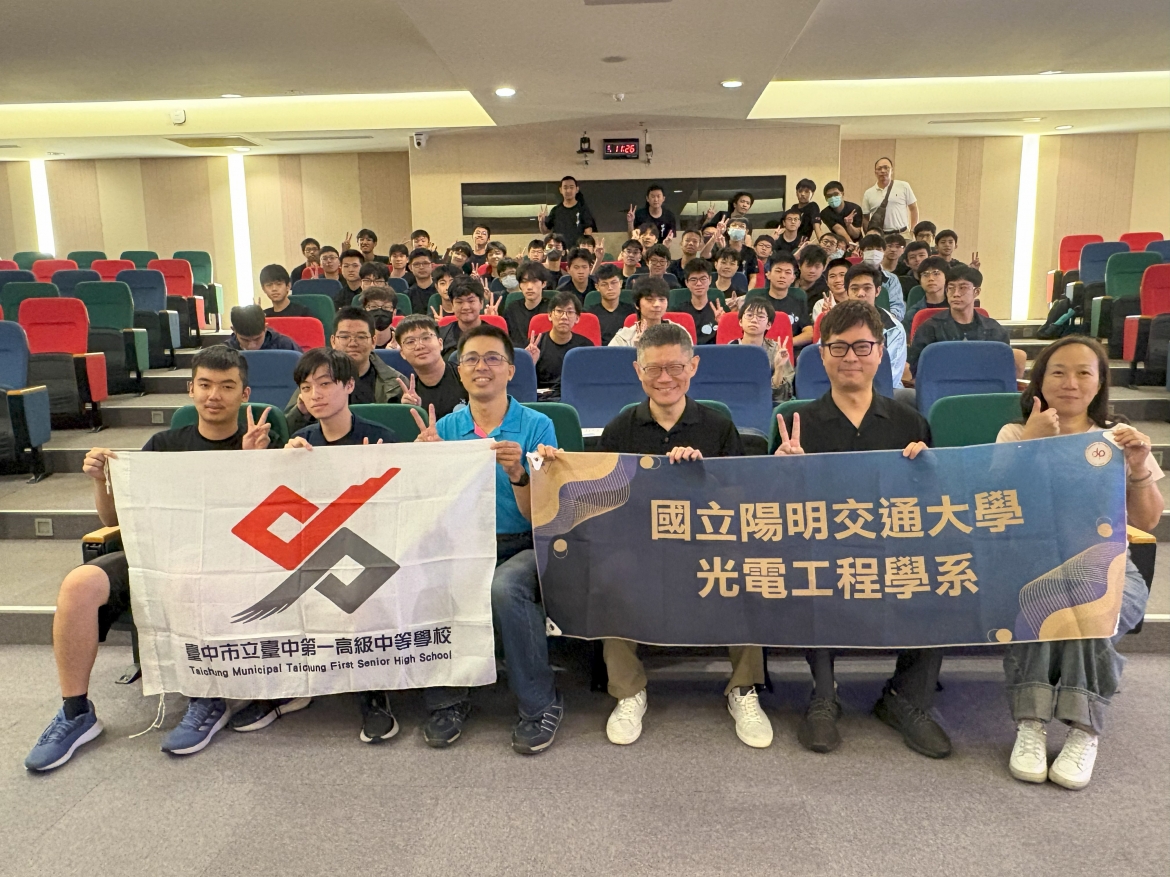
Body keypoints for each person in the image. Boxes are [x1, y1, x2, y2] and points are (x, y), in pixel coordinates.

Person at [25, 346, 275, 771]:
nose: (214, 395)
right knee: (78, 585)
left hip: (229, 563)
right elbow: (114, 520)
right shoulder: (163, 445)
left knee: (186, 578)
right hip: (154, 555)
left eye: (227, 386)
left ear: (244, 393)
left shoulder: (262, 445)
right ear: (191, 389)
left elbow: (269, 526)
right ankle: (75, 712)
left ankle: (207, 697)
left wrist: (255, 465)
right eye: (205, 385)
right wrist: (102, 481)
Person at [578, 322, 772, 748]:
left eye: (675, 367)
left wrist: (702, 478)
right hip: (640, 545)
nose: (664, 378)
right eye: (653, 369)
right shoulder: (620, 428)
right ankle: (628, 691)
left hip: (706, 542)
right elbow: (604, 500)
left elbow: (740, 502)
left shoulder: (718, 426)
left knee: (748, 571)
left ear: (693, 367)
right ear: (638, 371)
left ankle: (743, 689)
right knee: (610, 574)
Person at [774, 300, 949, 759]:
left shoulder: (911, 422)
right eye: (838, 347)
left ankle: (906, 699)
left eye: (862, 346)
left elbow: (932, 507)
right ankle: (823, 696)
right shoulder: (798, 423)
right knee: (808, 569)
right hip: (824, 549)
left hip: (893, 549)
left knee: (944, 573)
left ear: (879, 353)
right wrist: (782, 471)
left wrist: (927, 471)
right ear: (822, 355)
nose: (850, 357)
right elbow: (777, 512)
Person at [996, 336, 1162, 789]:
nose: (1070, 382)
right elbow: (996, 507)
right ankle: (1033, 723)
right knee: (1042, 597)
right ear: (1040, 381)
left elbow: (1147, 521)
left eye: (1083, 372)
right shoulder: (1014, 434)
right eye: (1058, 372)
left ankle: (1083, 731)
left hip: (1111, 565)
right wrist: (1031, 444)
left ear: (1100, 382)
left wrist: (1139, 466)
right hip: (1033, 561)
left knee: (1093, 604)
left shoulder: (1118, 438)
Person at [412, 324, 563, 754]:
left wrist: (518, 473)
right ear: (459, 371)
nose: (482, 367)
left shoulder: (537, 425)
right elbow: (429, 511)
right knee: (431, 578)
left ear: (511, 370)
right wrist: (424, 462)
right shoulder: (445, 428)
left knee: (505, 586)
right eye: (472, 359)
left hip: (526, 543)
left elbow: (541, 515)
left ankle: (540, 703)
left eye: (493, 358)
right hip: (463, 545)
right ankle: (447, 700)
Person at [284, 307, 404, 433]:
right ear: (333, 341)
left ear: (373, 341)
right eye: (345, 337)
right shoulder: (315, 380)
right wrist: (300, 413)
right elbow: (286, 431)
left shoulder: (396, 383)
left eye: (361, 337)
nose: (352, 343)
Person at [907, 265, 1026, 379]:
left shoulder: (994, 329)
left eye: (963, 288)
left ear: (976, 292)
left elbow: (1002, 370)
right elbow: (916, 371)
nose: (956, 294)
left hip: (983, 387)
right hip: (944, 387)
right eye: (951, 288)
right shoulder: (930, 328)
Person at [842, 263, 909, 391]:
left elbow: (891, 376)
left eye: (867, 288)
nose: (860, 294)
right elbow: (824, 363)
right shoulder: (833, 323)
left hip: (882, 392)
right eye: (854, 288)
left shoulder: (894, 329)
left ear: (877, 291)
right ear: (847, 292)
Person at [392, 315, 468, 417]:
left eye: (426, 338)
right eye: (410, 342)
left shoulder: (465, 377)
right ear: (402, 353)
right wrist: (408, 412)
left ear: (440, 343)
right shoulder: (405, 395)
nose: (419, 346)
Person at [525, 291, 593, 399]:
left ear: (577, 318)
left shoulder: (586, 347)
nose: (564, 317)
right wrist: (529, 363)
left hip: (575, 400)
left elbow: (590, 382)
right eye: (559, 311)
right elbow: (523, 384)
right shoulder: (534, 346)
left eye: (570, 312)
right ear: (550, 315)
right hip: (541, 401)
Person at [731, 298, 793, 402]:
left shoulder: (777, 351)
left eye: (760, 316)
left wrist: (779, 369)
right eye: (749, 315)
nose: (754, 320)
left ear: (769, 324)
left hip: (768, 404)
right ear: (740, 322)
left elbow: (783, 397)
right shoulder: (730, 349)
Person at [750, 253, 813, 347]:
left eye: (787, 272)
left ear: (793, 278)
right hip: (760, 348)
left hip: (789, 349)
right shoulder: (755, 298)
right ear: (768, 274)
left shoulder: (798, 300)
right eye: (778, 271)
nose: (782, 276)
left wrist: (784, 344)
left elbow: (809, 333)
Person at [439, 274, 493, 359]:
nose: (465, 307)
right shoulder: (441, 335)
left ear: (481, 303)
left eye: (471, 301)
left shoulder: (495, 336)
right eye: (459, 302)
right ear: (452, 305)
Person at [861, 157, 918, 234]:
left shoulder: (903, 186)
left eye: (886, 168)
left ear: (892, 170)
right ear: (875, 172)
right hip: (880, 236)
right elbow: (865, 218)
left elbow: (913, 208)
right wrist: (869, 235)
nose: (883, 171)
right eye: (879, 168)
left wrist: (913, 230)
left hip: (902, 234)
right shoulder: (868, 193)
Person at [609, 276, 669, 347]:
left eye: (662, 300)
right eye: (649, 300)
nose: (657, 304)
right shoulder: (623, 338)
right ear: (637, 304)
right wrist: (636, 349)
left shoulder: (678, 332)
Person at [676, 258, 724, 344]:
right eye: (693, 280)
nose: (698, 283)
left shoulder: (720, 310)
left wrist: (723, 323)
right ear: (686, 283)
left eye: (703, 279)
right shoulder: (678, 311)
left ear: (710, 280)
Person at [858, 233, 905, 320]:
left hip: (885, 322)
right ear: (861, 253)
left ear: (883, 252)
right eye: (869, 249)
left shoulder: (891, 279)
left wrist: (887, 321)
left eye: (878, 249)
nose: (874, 253)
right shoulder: (850, 275)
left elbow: (897, 308)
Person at [588, 263, 637, 345]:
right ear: (597, 287)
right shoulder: (590, 314)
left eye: (613, 283)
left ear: (620, 283)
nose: (610, 288)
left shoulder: (632, 312)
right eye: (604, 284)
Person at [504, 263, 551, 345]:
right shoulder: (512, 308)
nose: (529, 287)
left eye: (534, 281)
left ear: (544, 284)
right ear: (519, 285)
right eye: (524, 281)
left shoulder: (552, 308)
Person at [539, 175, 595, 242]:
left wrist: (588, 245)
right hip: (559, 247)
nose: (568, 190)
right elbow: (544, 231)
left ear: (577, 189)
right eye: (565, 188)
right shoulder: (555, 210)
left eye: (571, 187)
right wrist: (541, 222)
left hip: (576, 248)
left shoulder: (583, 209)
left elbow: (588, 232)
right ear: (560, 190)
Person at [901, 255, 949, 331]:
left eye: (936, 273)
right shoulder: (913, 314)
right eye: (925, 275)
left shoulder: (957, 308)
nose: (931, 278)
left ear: (946, 277)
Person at [226, 305, 301, 352]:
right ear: (234, 330)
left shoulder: (285, 346)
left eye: (257, 339)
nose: (252, 346)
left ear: (265, 328)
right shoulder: (226, 351)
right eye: (245, 340)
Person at [812, 257, 851, 321]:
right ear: (827, 282)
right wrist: (826, 317)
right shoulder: (821, 304)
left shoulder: (860, 301)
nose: (837, 280)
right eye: (832, 276)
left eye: (842, 275)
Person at [795, 245, 829, 310]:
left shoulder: (825, 292)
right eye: (808, 265)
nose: (812, 271)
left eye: (817, 266)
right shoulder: (787, 281)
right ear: (799, 265)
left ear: (824, 268)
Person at [406, 247, 437, 316]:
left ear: (432, 266)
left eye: (425, 263)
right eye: (417, 264)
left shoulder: (441, 291)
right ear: (410, 268)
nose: (421, 267)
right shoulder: (407, 295)